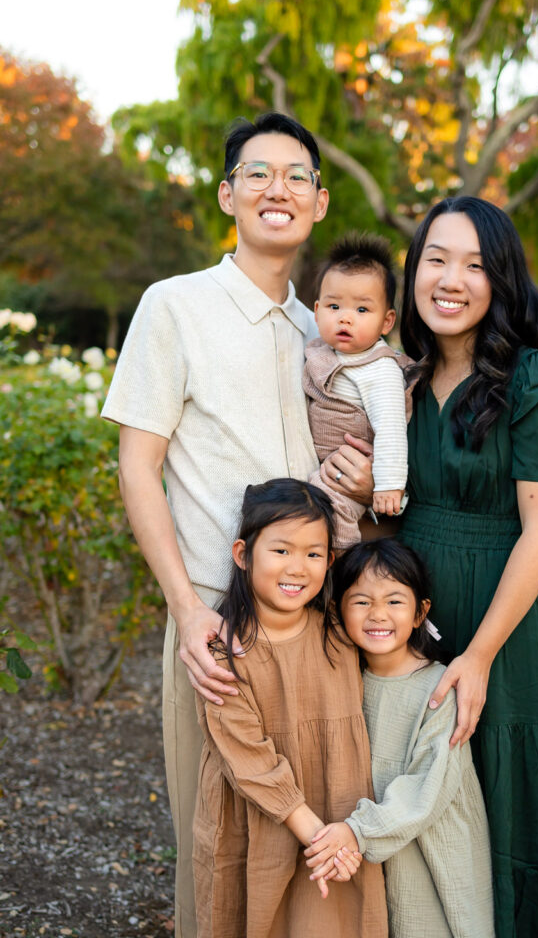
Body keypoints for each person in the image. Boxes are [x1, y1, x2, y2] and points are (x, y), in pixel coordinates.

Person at [101, 112, 371, 937]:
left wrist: (359, 486)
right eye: (257, 174)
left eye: (295, 176)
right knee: (216, 853)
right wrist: (188, 612)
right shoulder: (173, 307)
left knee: (317, 863)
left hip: (324, 631)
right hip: (221, 630)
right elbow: (136, 466)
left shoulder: (322, 328)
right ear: (228, 195)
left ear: (320, 202)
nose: (276, 189)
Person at [392, 195, 538, 937]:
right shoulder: (396, 379)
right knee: (405, 798)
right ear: (413, 274)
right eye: (436, 259)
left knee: (498, 800)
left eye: (475, 264)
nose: (451, 279)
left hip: (491, 624)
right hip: (400, 616)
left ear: (500, 280)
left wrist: (476, 657)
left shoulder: (532, 379)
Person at [193, 478, 388, 938]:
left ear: (330, 560)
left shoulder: (341, 630)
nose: (297, 567)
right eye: (281, 551)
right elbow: (248, 757)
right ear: (243, 555)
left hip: (340, 813)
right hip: (264, 817)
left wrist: (340, 840)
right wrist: (320, 841)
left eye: (313, 554)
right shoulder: (223, 650)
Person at [305, 538, 495, 938]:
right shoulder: (345, 682)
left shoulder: (439, 691)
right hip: (365, 854)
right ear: (339, 608)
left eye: (394, 601)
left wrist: (356, 832)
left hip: (426, 850)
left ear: (419, 612)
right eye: (360, 601)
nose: (377, 614)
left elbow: (426, 786)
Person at [304, 232, 414, 547]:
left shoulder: (380, 369)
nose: (346, 318)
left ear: (387, 321)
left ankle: (341, 561)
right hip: (325, 467)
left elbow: (391, 429)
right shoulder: (320, 353)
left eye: (362, 310)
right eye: (334, 306)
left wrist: (389, 486)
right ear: (317, 310)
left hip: (350, 475)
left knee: (329, 519)